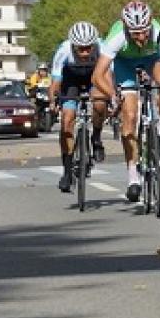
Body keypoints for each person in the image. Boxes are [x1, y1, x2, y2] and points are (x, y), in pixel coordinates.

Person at [92, 0, 160, 202]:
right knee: (129, 116)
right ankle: (132, 177)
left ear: (151, 23)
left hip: (152, 58)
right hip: (124, 63)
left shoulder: (159, 34)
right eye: (135, 33)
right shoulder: (116, 37)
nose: (142, 37)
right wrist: (113, 95)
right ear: (127, 28)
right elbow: (97, 76)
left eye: (145, 31)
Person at [49, 22, 108, 192]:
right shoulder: (64, 50)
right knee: (67, 120)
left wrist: (112, 98)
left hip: (94, 77)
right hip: (70, 80)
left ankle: (96, 138)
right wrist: (53, 100)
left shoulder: (102, 48)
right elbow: (56, 81)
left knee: (99, 103)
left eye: (88, 48)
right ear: (73, 46)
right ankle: (67, 171)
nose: (84, 52)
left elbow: (108, 76)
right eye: (80, 49)